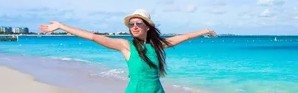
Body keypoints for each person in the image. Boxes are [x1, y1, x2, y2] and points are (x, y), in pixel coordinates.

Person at [38, 9, 217, 93]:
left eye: (139, 23)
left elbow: (184, 37)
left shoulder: (158, 45)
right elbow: (92, 37)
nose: (134, 26)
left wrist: (205, 30)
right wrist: (61, 26)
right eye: (131, 24)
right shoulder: (126, 46)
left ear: (148, 27)